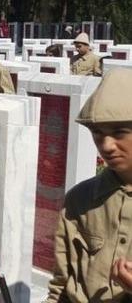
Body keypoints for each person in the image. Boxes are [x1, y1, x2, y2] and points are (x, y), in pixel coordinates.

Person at [45, 69, 132, 301]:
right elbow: (62, 284)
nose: (107, 145)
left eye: (119, 132)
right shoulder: (80, 200)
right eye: (97, 133)